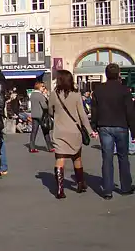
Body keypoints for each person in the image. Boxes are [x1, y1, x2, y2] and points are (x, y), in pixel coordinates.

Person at [48, 69, 96, 199]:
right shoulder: (76, 95)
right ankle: (80, 184)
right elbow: (82, 115)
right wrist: (90, 131)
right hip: (74, 131)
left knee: (60, 159)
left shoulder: (53, 94)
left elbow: (50, 111)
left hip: (59, 131)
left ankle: (60, 189)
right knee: (77, 157)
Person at [90, 63, 135, 200]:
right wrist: (133, 130)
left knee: (107, 158)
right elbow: (130, 111)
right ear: (118, 74)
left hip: (104, 125)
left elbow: (94, 109)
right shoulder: (124, 90)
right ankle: (125, 187)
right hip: (121, 125)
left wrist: (94, 125)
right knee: (123, 157)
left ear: (106, 74)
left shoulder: (98, 90)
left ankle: (107, 190)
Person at [29, 81, 54, 153]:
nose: (44, 88)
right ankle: (50, 147)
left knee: (34, 131)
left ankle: (32, 147)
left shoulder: (32, 95)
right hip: (42, 116)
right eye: (42, 86)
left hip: (34, 115)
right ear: (39, 87)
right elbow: (45, 106)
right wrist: (46, 98)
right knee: (46, 131)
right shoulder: (40, 95)